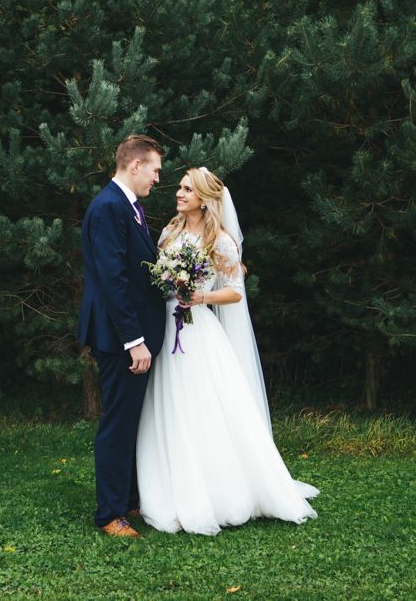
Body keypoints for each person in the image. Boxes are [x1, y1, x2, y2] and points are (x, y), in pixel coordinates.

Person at [136, 167, 319, 535]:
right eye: (180, 188)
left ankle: (217, 490)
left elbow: (235, 291)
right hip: (166, 326)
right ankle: (167, 484)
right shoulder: (169, 232)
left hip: (197, 328)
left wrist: (199, 295)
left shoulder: (219, 240)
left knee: (202, 405)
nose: (179, 193)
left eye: (188, 189)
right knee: (168, 403)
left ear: (204, 198)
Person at [77, 135, 167, 538]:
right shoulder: (109, 207)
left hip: (130, 335)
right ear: (135, 166)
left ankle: (129, 500)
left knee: (130, 420)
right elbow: (113, 281)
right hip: (119, 339)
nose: (157, 178)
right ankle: (110, 514)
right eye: (155, 170)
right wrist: (134, 340)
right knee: (117, 423)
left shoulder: (129, 208)